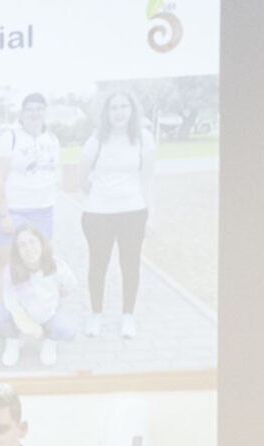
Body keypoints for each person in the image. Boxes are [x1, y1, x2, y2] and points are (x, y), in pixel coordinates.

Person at [80, 91, 157, 339]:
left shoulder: (144, 138)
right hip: (98, 213)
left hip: (133, 212)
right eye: (114, 107)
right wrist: (101, 195)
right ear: (107, 112)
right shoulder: (96, 139)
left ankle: (128, 316)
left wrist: (150, 216)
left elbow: (147, 180)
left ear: (132, 110)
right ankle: (96, 315)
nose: (119, 112)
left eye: (124, 106)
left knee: (130, 265)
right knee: (97, 265)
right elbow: (81, 176)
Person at [0, 92, 60, 317]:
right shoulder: (9, 138)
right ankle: (2, 314)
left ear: (45, 112)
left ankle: (36, 311)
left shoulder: (52, 139)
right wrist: (4, 215)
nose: (35, 113)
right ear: (22, 114)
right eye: (30, 109)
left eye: (39, 109)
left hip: (43, 210)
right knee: (7, 263)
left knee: (39, 261)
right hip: (13, 209)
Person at [0, 221, 82, 367]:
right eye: (22, 245)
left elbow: (72, 283)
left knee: (68, 330)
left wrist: (63, 291)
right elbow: (12, 304)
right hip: (22, 313)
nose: (29, 248)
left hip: (48, 313)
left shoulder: (55, 265)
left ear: (41, 243)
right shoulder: (11, 271)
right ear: (17, 251)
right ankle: (13, 339)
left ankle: (50, 341)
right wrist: (31, 327)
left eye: (32, 242)